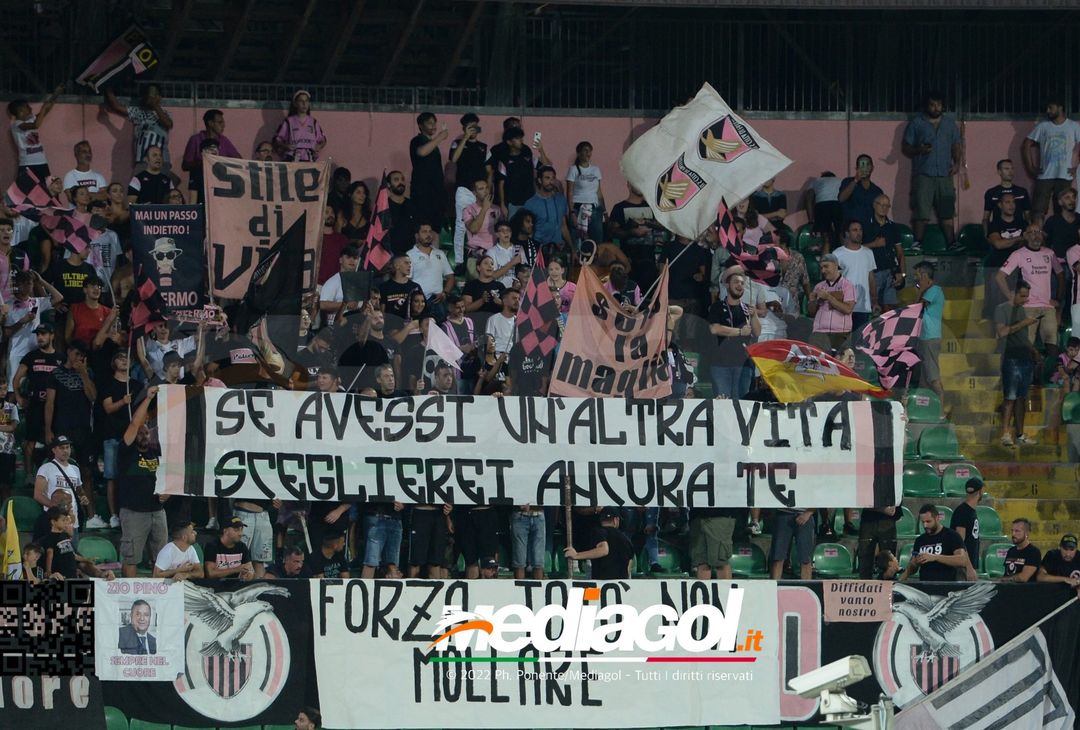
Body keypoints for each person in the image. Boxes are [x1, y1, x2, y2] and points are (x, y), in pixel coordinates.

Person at [45, 341, 102, 528]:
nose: (79, 358)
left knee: (86, 472)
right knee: (60, 471)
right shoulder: (55, 374)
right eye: (76, 353)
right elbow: (50, 403)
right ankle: (57, 515)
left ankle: (92, 516)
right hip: (62, 429)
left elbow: (93, 397)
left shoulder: (88, 372)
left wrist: (83, 373)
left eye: (82, 355)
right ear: (69, 352)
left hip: (84, 429)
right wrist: (48, 429)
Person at [995, 223, 1063, 365]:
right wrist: (1012, 298)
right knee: (1027, 344)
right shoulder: (1019, 254)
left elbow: (1060, 275)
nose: (1035, 234)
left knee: (1052, 341)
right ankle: (1029, 379)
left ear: (1042, 235)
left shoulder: (1049, 253)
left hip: (1047, 306)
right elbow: (999, 276)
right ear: (1025, 236)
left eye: (1038, 231)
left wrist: (1058, 299)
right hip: (1028, 307)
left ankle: (1051, 376)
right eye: (1031, 232)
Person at [117, 384, 166, 577]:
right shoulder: (126, 451)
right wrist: (148, 398)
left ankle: (157, 598)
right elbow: (134, 424)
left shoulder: (156, 452)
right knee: (132, 558)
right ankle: (129, 596)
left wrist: (167, 491)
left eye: (146, 433)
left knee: (161, 559)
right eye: (140, 433)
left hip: (157, 511)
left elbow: (168, 475)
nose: (144, 435)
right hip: (134, 512)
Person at [902, 90, 962, 246]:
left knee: (947, 212)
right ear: (926, 106)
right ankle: (918, 243)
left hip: (944, 174)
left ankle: (952, 243)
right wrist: (918, 150)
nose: (936, 108)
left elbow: (956, 145)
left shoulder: (949, 124)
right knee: (921, 212)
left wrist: (957, 163)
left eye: (939, 105)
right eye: (932, 105)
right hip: (923, 174)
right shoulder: (917, 123)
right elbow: (906, 147)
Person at [995, 281, 1039, 446]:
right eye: (1022, 296)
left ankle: (1020, 434)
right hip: (1011, 357)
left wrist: (1034, 352)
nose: (1024, 300)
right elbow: (1002, 332)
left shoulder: (1021, 310)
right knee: (1010, 397)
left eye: (1026, 296)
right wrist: (1024, 323)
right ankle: (1005, 433)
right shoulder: (1002, 309)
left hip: (1025, 357)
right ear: (1013, 293)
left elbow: (1023, 338)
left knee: (1021, 398)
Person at [1022, 96, 1080, 221]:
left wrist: (1077, 168)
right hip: (1045, 176)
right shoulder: (1043, 126)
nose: (1048, 111)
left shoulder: (1073, 126)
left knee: (1064, 209)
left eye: (1050, 108)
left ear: (1060, 108)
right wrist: (1030, 167)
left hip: (1064, 175)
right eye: (1047, 108)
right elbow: (1026, 144)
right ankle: (1038, 238)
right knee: (1038, 210)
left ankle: (1063, 239)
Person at [707, 268, 759, 399]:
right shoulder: (717, 307)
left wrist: (755, 316)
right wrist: (740, 332)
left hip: (744, 364)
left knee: (742, 403)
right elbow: (715, 329)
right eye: (736, 282)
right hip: (721, 363)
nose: (739, 285)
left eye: (742, 283)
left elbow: (757, 332)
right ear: (727, 285)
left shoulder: (747, 309)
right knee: (723, 404)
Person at [104, 84, 174, 169]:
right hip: (142, 160)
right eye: (148, 94)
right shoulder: (138, 112)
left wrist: (155, 105)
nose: (150, 96)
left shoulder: (165, 113)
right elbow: (117, 106)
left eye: (153, 94)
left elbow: (168, 124)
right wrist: (108, 89)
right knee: (137, 182)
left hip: (161, 160)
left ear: (159, 97)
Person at [450, 113, 490, 259]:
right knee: (461, 226)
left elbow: (489, 170)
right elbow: (454, 159)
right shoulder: (457, 143)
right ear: (464, 127)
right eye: (469, 126)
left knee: (481, 223)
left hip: (480, 191)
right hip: (464, 189)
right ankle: (460, 261)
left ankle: (478, 256)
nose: (473, 129)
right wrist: (465, 138)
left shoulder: (484, 147)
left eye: (475, 126)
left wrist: (488, 190)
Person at [984, 192, 1027, 317]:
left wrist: (1007, 242)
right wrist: (1018, 239)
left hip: (1018, 268)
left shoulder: (1022, 223)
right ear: (1000, 205)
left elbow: (1027, 243)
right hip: (997, 266)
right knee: (996, 301)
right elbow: (998, 244)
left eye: (1013, 202)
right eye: (1007, 202)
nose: (1011, 205)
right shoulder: (995, 224)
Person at [8, 85, 63, 183]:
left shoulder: (31, 119)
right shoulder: (16, 125)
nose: (30, 108)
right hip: (27, 164)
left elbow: (47, 109)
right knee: (27, 192)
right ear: (20, 111)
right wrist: (42, 109)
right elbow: (36, 125)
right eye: (27, 107)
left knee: (47, 190)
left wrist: (55, 94)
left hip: (42, 162)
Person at [180, 108, 241, 197]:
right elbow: (185, 165)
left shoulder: (224, 140)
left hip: (221, 186)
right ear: (210, 123)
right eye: (220, 122)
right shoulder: (195, 139)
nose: (224, 125)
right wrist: (205, 162)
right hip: (201, 186)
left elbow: (239, 160)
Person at [900, 504, 968, 582]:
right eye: (923, 522)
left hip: (947, 585)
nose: (925, 525)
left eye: (928, 521)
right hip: (925, 586)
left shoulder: (952, 536)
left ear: (937, 518)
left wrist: (936, 557)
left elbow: (962, 560)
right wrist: (914, 564)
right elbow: (913, 568)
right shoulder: (920, 540)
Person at [831, 220, 878, 331]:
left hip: (863, 306)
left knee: (860, 340)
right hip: (844, 306)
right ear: (847, 233)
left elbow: (871, 278)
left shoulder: (868, 253)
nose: (859, 233)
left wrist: (875, 301)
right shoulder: (837, 254)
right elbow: (832, 281)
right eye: (855, 230)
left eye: (860, 230)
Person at [563, 507, 634, 579]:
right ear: (616, 520)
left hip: (598, 584)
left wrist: (576, 555)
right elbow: (628, 569)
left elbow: (604, 550)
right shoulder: (627, 540)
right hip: (620, 586)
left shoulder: (598, 532)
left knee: (586, 590)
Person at [863, 195, 906, 312]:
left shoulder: (893, 227)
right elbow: (855, 248)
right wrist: (874, 244)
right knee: (872, 308)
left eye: (887, 205)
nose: (884, 208)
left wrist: (902, 274)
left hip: (890, 271)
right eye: (881, 204)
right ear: (874, 205)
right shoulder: (865, 225)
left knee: (889, 309)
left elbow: (900, 253)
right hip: (872, 272)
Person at [408, 221, 455, 319]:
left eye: (430, 232)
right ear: (417, 235)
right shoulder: (409, 255)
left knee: (440, 330)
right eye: (424, 232)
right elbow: (406, 280)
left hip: (438, 301)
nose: (428, 234)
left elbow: (450, 277)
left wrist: (445, 293)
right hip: (419, 302)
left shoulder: (440, 254)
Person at [808, 253, 855, 352]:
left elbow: (848, 309)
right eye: (821, 268)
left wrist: (828, 297)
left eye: (826, 266)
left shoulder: (847, 285)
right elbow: (811, 313)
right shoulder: (818, 286)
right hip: (819, 333)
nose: (823, 271)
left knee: (839, 364)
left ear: (835, 265)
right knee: (816, 364)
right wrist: (813, 301)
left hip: (841, 334)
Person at [410, 112, 448, 231]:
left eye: (434, 123)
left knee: (435, 228)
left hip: (436, 193)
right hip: (422, 193)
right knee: (422, 227)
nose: (433, 126)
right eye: (429, 123)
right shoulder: (417, 140)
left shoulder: (433, 145)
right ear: (421, 126)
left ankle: (434, 250)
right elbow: (421, 152)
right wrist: (440, 138)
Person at [914, 261, 945, 403]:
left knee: (932, 376)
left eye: (919, 275)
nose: (916, 278)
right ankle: (925, 410)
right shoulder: (927, 290)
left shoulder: (935, 290)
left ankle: (941, 410)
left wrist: (920, 290)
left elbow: (917, 307)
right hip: (923, 337)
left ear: (925, 275)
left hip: (930, 338)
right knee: (924, 377)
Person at [525, 166, 571, 256]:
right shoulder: (530, 204)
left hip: (558, 249)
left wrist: (572, 249)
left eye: (553, 178)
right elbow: (528, 231)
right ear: (539, 180)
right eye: (547, 178)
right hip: (539, 250)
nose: (551, 181)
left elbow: (563, 226)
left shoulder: (561, 200)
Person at [566, 141, 606, 245]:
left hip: (595, 209)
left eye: (590, 150)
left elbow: (599, 192)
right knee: (578, 241)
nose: (588, 153)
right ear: (579, 153)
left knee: (597, 241)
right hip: (578, 208)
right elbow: (569, 192)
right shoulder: (573, 169)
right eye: (585, 150)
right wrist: (571, 212)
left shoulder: (595, 169)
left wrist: (604, 211)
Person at [273, 90, 326, 162]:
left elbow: (323, 140)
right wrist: (286, 146)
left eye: (306, 101)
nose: (304, 104)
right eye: (301, 101)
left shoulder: (313, 121)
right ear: (295, 104)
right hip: (292, 158)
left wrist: (318, 146)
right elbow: (277, 139)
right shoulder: (289, 121)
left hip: (309, 158)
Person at [690, 506, 740, 579]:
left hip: (719, 515)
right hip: (697, 517)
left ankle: (725, 590)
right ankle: (703, 589)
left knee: (721, 562)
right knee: (701, 562)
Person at [319, 244, 362, 328]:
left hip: (355, 326)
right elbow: (322, 304)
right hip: (336, 327)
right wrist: (345, 304)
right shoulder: (333, 281)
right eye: (348, 257)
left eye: (355, 258)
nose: (352, 260)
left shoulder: (360, 282)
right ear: (340, 260)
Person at [768, 507, 816, 580]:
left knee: (805, 560)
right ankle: (774, 589)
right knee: (777, 558)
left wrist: (808, 512)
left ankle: (807, 589)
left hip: (806, 515)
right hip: (783, 513)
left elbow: (820, 497)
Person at [837, 154, 884, 228]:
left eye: (867, 164)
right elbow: (841, 199)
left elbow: (880, 213)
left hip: (869, 230)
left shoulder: (877, 190)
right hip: (851, 230)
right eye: (862, 165)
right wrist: (856, 180)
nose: (864, 168)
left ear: (872, 168)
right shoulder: (848, 182)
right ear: (857, 168)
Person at [950, 477, 983, 581]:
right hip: (962, 567)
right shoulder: (963, 512)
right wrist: (969, 567)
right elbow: (960, 543)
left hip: (967, 565)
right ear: (981, 491)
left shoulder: (967, 511)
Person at [983, 159, 1030, 232]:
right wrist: (986, 235)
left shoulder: (1022, 192)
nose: (1010, 172)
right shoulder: (991, 193)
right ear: (999, 172)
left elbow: (1028, 216)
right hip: (998, 232)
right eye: (1006, 169)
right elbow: (986, 218)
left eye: (1012, 168)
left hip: (1020, 232)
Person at [203, 516, 255, 581]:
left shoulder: (242, 547)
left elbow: (250, 569)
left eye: (241, 530)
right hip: (215, 586)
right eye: (236, 530)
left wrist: (249, 575)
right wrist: (236, 569)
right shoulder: (212, 546)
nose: (240, 534)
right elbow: (210, 574)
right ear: (225, 531)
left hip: (236, 585)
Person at [856, 505, 900, 579]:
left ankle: (888, 589)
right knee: (865, 565)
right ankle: (865, 587)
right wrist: (882, 509)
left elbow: (898, 496)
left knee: (889, 563)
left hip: (887, 520)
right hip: (869, 519)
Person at [385, 170, 418, 256]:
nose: (401, 182)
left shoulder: (412, 205)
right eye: (396, 180)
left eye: (402, 179)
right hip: (390, 253)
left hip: (412, 253)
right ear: (388, 184)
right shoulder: (384, 207)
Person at [806, 171, 843, 246]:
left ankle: (825, 251)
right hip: (837, 205)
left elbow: (808, 200)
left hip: (821, 206)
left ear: (822, 176)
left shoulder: (816, 181)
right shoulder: (840, 180)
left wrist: (811, 221)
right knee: (840, 233)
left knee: (825, 237)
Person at [1002, 518, 1041, 583]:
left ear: (1026, 533)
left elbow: (1023, 578)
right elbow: (1006, 573)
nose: (1013, 534)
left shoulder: (1033, 552)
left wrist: (1004, 579)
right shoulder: (1011, 551)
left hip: (1024, 591)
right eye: (1012, 531)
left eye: (1017, 531)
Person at [485, 288, 519, 357]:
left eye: (518, 299)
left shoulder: (519, 321)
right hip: (497, 357)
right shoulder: (493, 319)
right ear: (505, 300)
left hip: (515, 358)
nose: (517, 301)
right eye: (514, 298)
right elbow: (489, 343)